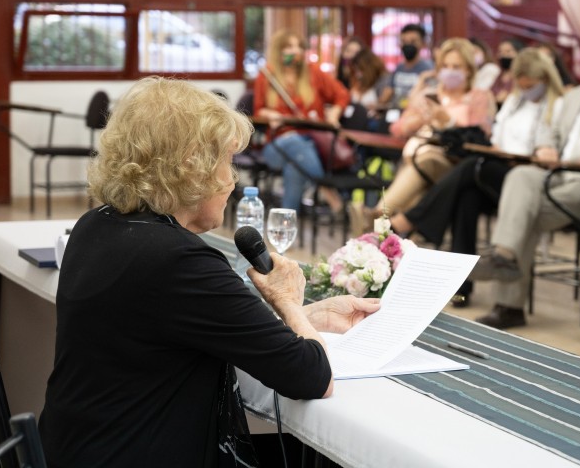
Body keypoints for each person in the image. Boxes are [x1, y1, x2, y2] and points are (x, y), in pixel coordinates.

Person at [39, 77, 380, 467]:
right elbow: (313, 378)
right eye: (226, 162)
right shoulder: (177, 260)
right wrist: (287, 302)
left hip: (76, 449)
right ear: (190, 167)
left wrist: (306, 317)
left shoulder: (94, 225)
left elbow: (181, 324)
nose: (232, 180)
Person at [469, 33, 580, 329]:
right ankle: (505, 256)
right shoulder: (572, 97)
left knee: (523, 214)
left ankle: (508, 302)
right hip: (559, 176)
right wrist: (544, 147)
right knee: (521, 175)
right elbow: (549, 132)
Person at [388, 48, 565, 307]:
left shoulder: (557, 107)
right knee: (466, 196)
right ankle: (462, 286)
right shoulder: (515, 102)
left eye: (532, 85)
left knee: (472, 167)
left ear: (546, 80)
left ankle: (409, 220)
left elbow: (547, 150)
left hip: (528, 177)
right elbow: (497, 138)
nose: (527, 90)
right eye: (522, 84)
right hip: (500, 165)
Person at [360, 37, 495, 221]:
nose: (450, 71)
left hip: (457, 166)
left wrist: (448, 122)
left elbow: (481, 136)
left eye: (456, 67)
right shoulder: (429, 95)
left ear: (469, 70)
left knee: (426, 162)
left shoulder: (479, 97)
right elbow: (398, 129)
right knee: (420, 176)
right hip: (416, 158)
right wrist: (419, 120)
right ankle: (392, 227)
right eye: (446, 66)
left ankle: (379, 216)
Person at [254, 29, 351, 213]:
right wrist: (270, 114)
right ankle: (328, 191)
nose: (295, 51)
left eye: (299, 46)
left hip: (313, 143)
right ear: (278, 51)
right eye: (289, 47)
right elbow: (258, 110)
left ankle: (286, 220)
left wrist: (335, 113)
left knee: (295, 167)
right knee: (293, 141)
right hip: (277, 144)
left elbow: (342, 94)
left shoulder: (313, 73)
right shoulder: (266, 76)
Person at [378, 23, 434, 109]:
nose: (408, 45)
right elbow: (388, 92)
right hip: (395, 111)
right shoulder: (399, 68)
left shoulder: (428, 69)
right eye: (404, 41)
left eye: (413, 42)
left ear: (423, 43)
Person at [491, 38, 526, 105]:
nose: (504, 55)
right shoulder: (499, 74)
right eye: (501, 52)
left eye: (508, 51)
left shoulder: (521, 76)